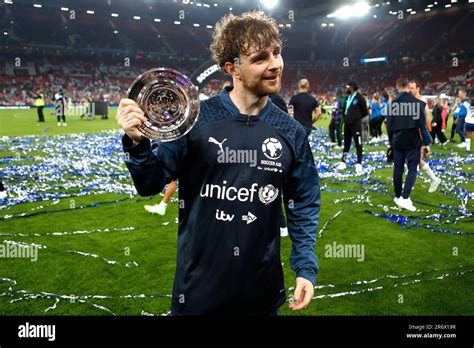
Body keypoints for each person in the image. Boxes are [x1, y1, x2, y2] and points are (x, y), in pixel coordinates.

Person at [117, 11, 320, 315]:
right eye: (261, 58)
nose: (275, 64)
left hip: (260, 295)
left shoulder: (291, 131)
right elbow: (148, 184)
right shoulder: (195, 120)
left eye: (277, 53)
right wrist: (137, 143)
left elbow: (303, 200)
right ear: (232, 68)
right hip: (198, 292)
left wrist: (305, 266)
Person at [387, 78, 432, 212]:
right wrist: (426, 143)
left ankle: (398, 196)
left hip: (397, 141)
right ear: (408, 86)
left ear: (397, 86)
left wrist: (391, 142)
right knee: (412, 168)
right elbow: (423, 127)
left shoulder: (393, 104)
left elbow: (389, 126)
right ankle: (405, 198)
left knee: (398, 168)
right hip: (412, 141)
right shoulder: (418, 104)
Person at [408, 80, 441, 193]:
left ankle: (434, 179)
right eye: (409, 88)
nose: (410, 90)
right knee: (413, 159)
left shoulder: (421, 100)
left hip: (419, 134)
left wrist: (425, 141)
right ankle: (432, 179)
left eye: (412, 88)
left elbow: (426, 119)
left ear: (418, 88)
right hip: (412, 134)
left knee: (415, 160)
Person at [335, 81, 368, 174]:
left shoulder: (360, 98)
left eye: (347, 87)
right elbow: (344, 110)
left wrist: (356, 118)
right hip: (347, 125)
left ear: (352, 88)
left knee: (358, 144)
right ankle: (343, 162)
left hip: (356, 125)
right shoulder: (347, 98)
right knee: (346, 144)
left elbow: (365, 112)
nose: (346, 89)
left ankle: (359, 163)